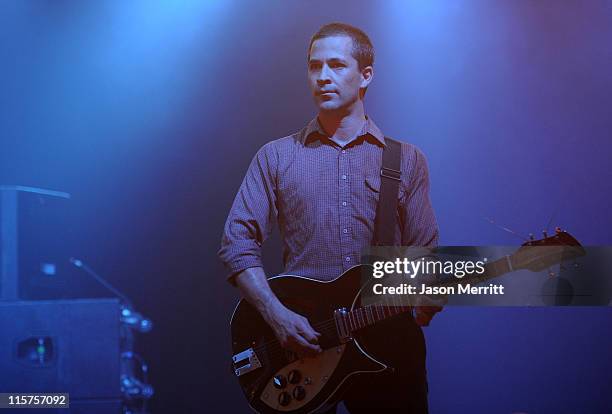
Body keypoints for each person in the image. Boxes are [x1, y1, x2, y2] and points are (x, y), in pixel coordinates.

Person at [219, 22, 440, 413]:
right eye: (314, 66)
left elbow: (424, 254)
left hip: (387, 346)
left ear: (366, 75)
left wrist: (427, 298)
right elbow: (237, 244)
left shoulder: (406, 160)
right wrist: (277, 316)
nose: (322, 77)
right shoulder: (276, 156)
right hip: (301, 348)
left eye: (337, 65)